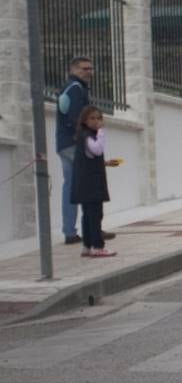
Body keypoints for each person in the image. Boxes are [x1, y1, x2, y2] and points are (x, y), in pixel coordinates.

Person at [54, 57, 114, 245]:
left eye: (90, 68)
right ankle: (91, 230)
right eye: (84, 68)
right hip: (73, 145)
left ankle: (72, 231)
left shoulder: (72, 87)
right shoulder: (75, 89)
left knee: (72, 186)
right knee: (88, 186)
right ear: (73, 70)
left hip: (65, 144)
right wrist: (86, 139)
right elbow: (76, 118)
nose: (88, 71)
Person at [70, 105, 116, 258]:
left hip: (84, 183)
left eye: (99, 118)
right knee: (95, 215)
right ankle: (97, 246)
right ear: (84, 120)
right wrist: (102, 133)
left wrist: (106, 163)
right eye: (93, 118)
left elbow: (90, 157)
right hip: (91, 185)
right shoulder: (88, 135)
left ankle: (87, 246)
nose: (97, 121)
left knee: (87, 215)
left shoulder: (83, 135)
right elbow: (97, 150)